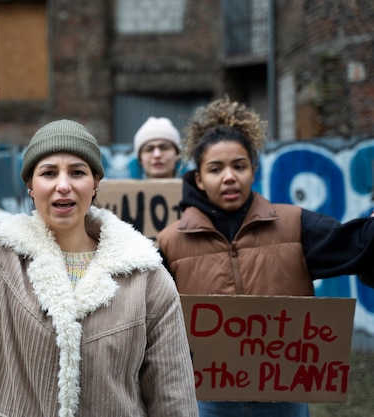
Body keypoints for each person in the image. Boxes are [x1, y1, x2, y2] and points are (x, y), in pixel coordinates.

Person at [0, 72, 198, 417]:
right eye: (49, 173)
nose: (64, 185)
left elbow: (172, 396)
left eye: (78, 172)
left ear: (96, 183)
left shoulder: (147, 278)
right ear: (30, 186)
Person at [156, 96, 374, 417]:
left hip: (284, 402)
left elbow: (358, 245)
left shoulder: (296, 225)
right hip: (208, 403)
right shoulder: (171, 242)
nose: (229, 177)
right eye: (216, 169)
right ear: (199, 178)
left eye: (239, 166)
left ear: (253, 170)